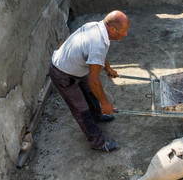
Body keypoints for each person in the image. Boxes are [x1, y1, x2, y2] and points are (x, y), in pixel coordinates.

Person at [49, 10, 129, 152]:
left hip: (75, 67)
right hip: (63, 74)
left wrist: (108, 69)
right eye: (123, 31)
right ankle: (98, 143)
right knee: (82, 110)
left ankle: (98, 116)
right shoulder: (98, 43)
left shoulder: (97, 27)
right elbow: (94, 80)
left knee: (91, 94)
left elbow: (98, 54)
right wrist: (105, 103)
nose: (125, 34)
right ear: (113, 29)